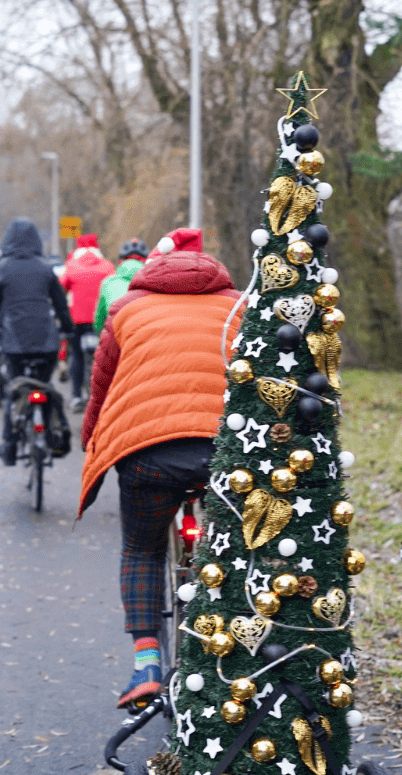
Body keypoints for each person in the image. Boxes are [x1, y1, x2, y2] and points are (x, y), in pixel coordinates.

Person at [78, 228, 239, 710]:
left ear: (147, 270)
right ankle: (238, 655)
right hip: (225, 453)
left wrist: (92, 444)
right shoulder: (239, 307)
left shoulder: (127, 308)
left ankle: (147, 664)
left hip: (148, 454)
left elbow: (101, 389)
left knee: (142, 550)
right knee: (237, 550)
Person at [0, 218, 76, 466]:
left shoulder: (2, 269)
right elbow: (60, 305)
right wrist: (68, 330)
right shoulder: (45, 269)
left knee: (16, 390)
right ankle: (50, 432)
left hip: (14, 343)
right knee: (43, 385)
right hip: (46, 342)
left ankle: (10, 445)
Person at [59, 233, 114, 406]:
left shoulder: (71, 265)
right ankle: (102, 397)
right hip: (100, 321)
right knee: (102, 357)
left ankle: (76, 396)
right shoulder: (107, 266)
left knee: (76, 355)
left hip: (77, 320)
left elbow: (61, 289)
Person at [92, 238, 149, 335]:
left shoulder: (108, 283)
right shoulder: (153, 282)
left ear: (121, 261)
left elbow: (99, 321)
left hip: (117, 336)